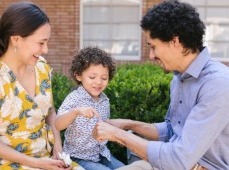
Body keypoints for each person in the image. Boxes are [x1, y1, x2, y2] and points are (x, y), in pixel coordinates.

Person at [92, 1, 229, 170]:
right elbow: (172, 130)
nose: (151, 55)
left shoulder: (217, 84)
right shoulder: (179, 78)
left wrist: (118, 135)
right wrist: (127, 125)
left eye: (153, 47)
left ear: (175, 41)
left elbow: (178, 160)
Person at [0, 2, 81, 169]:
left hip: (47, 158)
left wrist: (57, 148)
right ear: (16, 39)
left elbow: (50, 112)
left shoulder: (42, 67)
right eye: (41, 43)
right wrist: (35, 163)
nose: (46, 49)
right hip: (8, 164)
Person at [55, 46, 124, 170]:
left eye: (104, 78)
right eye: (92, 77)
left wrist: (116, 136)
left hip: (102, 154)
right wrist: (75, 112)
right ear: (78, 76)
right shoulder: (74, 98)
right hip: (79, 157)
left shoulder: (104, 100)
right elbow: (58, 124)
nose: (98, 82)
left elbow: (103, 128)